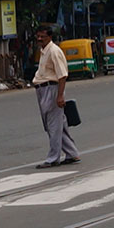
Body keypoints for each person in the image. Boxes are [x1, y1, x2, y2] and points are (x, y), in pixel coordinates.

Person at [31, 27, 79, 168]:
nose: (39, 39)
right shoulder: (44, 51)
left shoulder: (54, 51)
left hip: (51, 89)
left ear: (50, 37)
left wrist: (59, 96)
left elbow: (62, 75)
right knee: (57, 125)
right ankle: (72, 153)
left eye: (43, 36)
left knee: (53, 125)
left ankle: (53, 158)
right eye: (38, 36)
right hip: (43, 89)